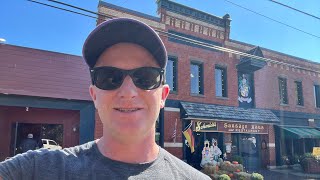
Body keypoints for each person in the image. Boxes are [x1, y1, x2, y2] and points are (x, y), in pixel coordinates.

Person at [0, 18, 210, 179]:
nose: (128, 91)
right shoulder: (38, 169)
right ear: (94, 95)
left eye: (145, 77)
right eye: (109, 77)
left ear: (163, 95)